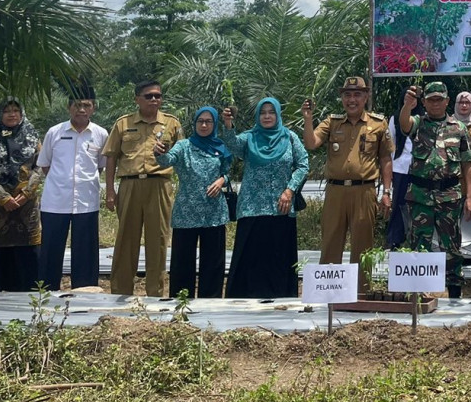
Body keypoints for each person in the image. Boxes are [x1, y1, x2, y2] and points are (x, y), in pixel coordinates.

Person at [302, 77, 392, 285]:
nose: (352, 99)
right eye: (347, 95)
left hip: (365, 191)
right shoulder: (332, 123)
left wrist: (386, 192)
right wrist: (308, 118)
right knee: (331, 242)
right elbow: (311, 143)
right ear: (342, 98)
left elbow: (386, 158)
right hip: (336, 191)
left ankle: (360, 293)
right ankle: (328, 291)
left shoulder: (378, 124)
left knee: (363, 246)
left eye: (357, 94)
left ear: (366, 96)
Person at [222, 98, 310, 298]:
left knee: (278, 257)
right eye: (263, 113)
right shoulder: (249, 138)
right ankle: (244, 300)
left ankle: (281, 297)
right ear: (258, 116)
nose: (267, 116)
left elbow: (303, 164)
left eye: (272, 112)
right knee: (250, 256)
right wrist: (228, 125)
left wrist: (290, 190)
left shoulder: (289, 137)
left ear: (278, 115)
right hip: (252, 208)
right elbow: (232, 145)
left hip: (281, 207)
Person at [104, 80, 182, 296]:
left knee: (157, 240)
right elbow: (111, 158)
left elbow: (182, 155)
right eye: (149, 96)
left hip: (159, 185)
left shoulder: (171, 123)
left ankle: (155, 293)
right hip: (130, 184)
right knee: (126, 239)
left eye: (158, 95)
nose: (154, 100)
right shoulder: (123, 123)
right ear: (137, 99)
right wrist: (110, 191)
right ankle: (121, 291)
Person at [399, 82, 471, 298]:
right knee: (418, 245)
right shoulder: (417, 123)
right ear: (424, 102)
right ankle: (417, 294)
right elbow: (404, 124)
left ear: (447, 101)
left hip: (449, 196)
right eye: (431, 99)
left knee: (451, 248)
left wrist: (470, 197)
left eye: (439, 99)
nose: (435, 103)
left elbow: (467, 164)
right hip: (421, 195)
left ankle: (454, 294)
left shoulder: (459, 128)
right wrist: (407, 105)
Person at [154, 106, 231, 299]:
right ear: (194, 123)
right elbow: (166, 161)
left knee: (213, 262)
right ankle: (181, 301)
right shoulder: (184, 146)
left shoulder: (220, 146)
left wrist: (222, 180)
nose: (204, 125)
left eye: (208, 121)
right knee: (182, 261)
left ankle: (210, 301)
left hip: (213, 212)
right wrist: (159, 153)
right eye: (200, 121)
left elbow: (228, 172)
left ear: (214, 124)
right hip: (186, 212)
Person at [36, 85, 108, 290]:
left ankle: (84, 291)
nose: (82, 110)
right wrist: (62, 183)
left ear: (93, 108)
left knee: (86, 250)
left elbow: (101, 166)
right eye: (77, 105)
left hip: (86, 201)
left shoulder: (101, 134)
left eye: (86, 105)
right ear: (69, 108)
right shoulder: (55, 132)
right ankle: (47, 293)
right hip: (55, 201)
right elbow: (45, 164)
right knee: (51, 249)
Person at [0, 98, 42, 292]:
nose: (12, 114)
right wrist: (2, 197)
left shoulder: (32, 135)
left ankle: (28, 295)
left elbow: (40, 166)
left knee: (26, 252)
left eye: (16, 110)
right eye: (7, 111)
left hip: (25, 204)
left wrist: (27, 192)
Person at [386, 93, 415, 250]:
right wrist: (389, 169)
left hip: (420, 169)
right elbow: (390, 144)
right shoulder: (395, 118)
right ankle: (395, 240)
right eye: (406, 99)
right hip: (399, 167)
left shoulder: (424, 118)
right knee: (398, 204)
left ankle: (415, 240)